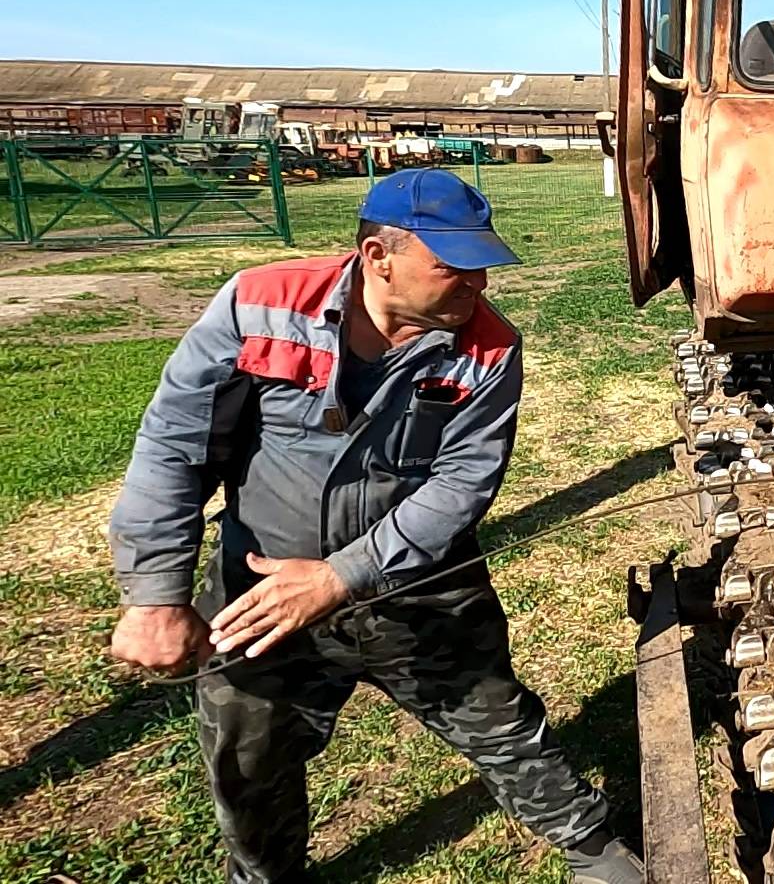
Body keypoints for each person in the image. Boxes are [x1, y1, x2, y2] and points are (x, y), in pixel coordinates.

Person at [106, 169, 644, 884]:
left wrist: (341, 576)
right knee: (246, 758)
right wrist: (155, 596)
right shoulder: (258, 304)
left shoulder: (487, 347)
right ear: (376, 257)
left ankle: (593, 851)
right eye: (454, 267)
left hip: (418, 587)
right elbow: (177, 445)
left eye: (482, 267)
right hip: (260, 594)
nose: (477, 287)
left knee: (501, 726)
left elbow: (460, 485)